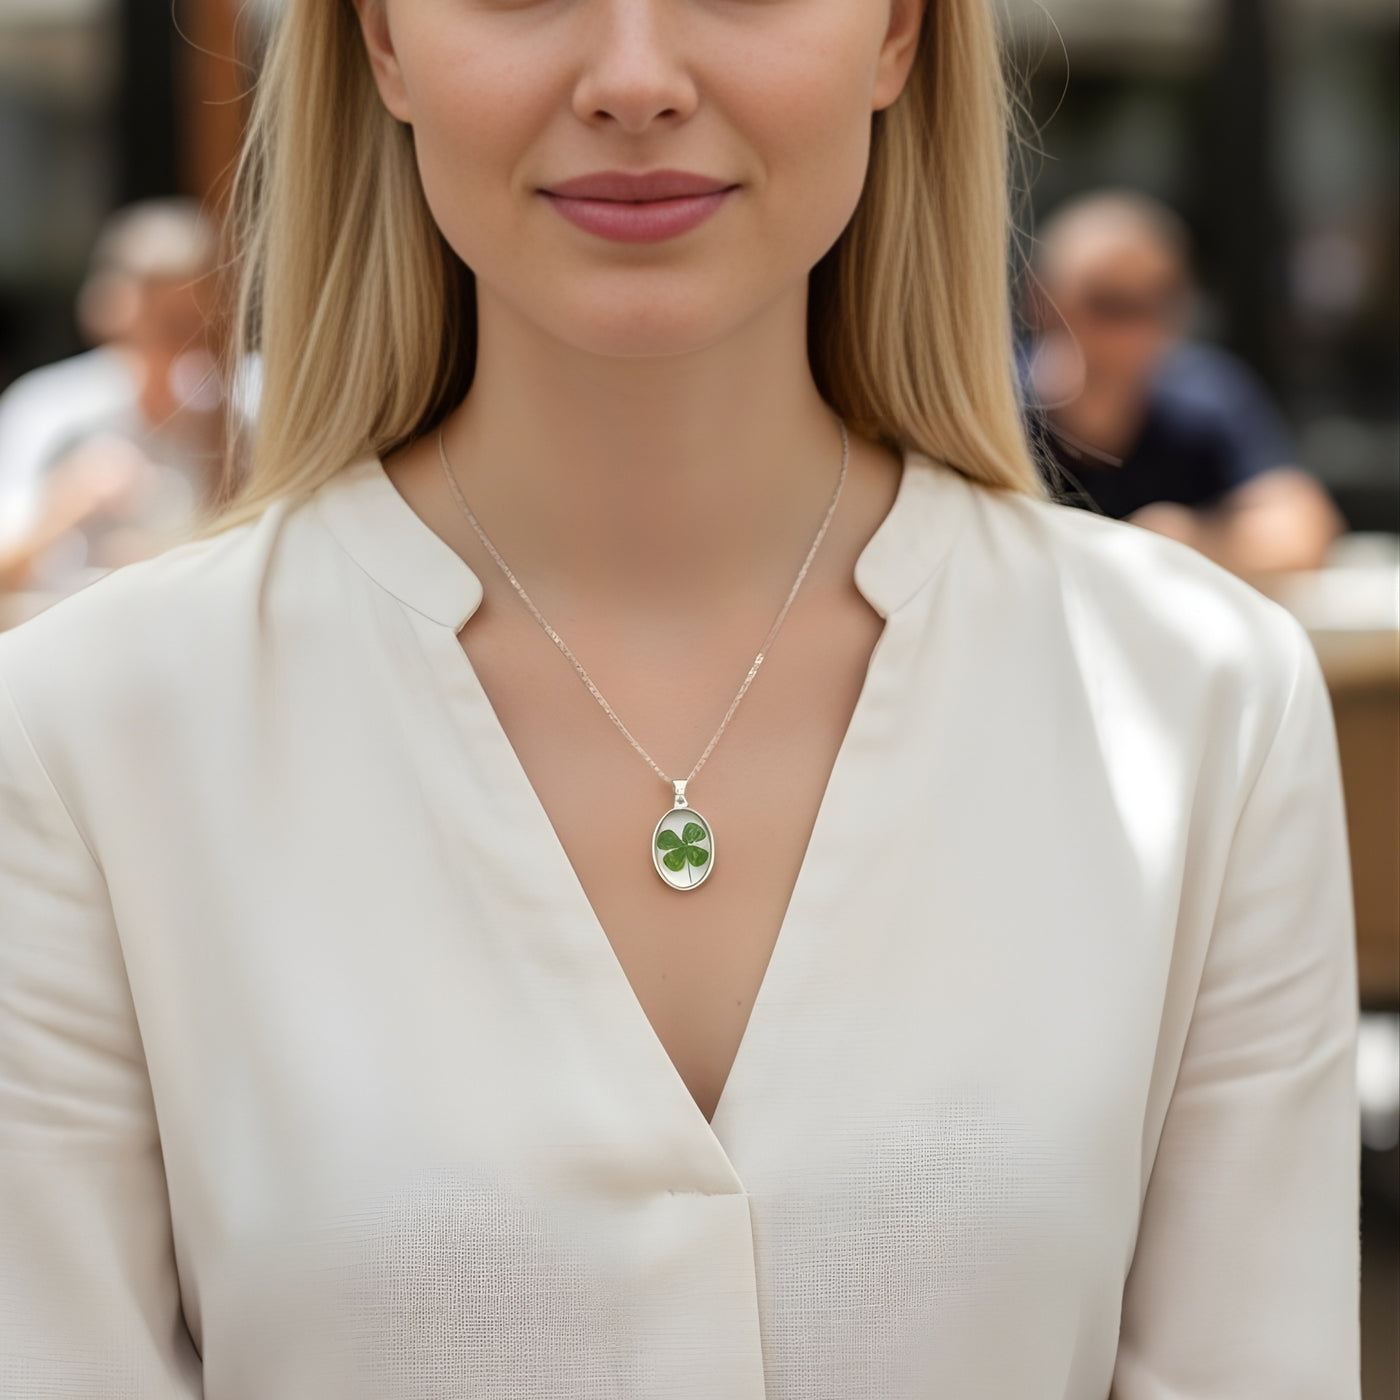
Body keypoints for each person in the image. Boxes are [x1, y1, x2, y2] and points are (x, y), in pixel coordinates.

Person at [0, 3, 1360, 1397]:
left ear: (896, 33)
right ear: (384, 46)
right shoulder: (85, 743)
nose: (635, 79)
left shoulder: (1203, 709)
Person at [1021, 188, 1346, 577]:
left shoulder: (1205, 395)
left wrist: (1192, 540)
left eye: (1155, 302)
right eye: (1109, 304)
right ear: (1043, 302)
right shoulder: (995, 408)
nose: (1133, 331)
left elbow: (1304, 527)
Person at [0, 199, 225, 601]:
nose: (187, 348)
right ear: (112, 311)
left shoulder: (238, 406)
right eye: (169, 326)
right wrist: (68, 504)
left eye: (201, 327)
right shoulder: (50, 409)